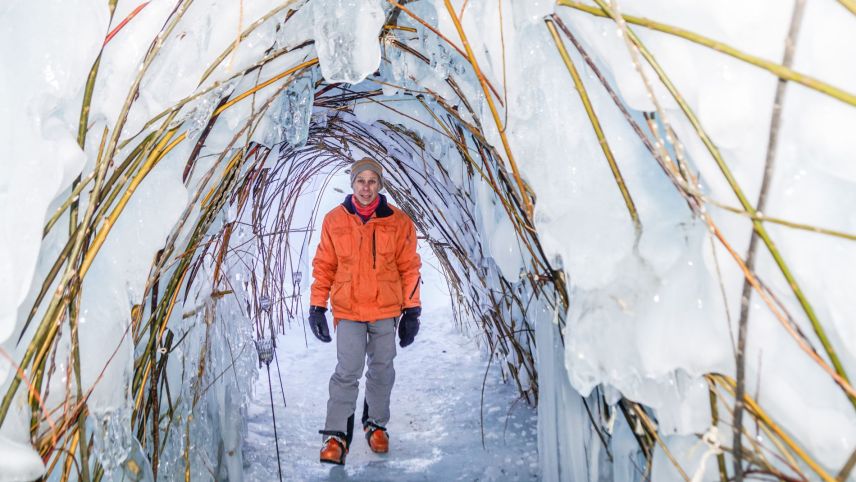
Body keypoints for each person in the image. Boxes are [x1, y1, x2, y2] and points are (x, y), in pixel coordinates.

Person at [307, 156, 422, 465]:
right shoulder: (335, 220)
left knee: (383, 369)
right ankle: (336, 436)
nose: (366, 188)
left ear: (380, 185)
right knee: (348, 370)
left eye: (372, 181)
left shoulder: (399, 222)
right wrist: (317, 306)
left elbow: (410, 268)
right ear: (352, 183)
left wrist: (412, 312)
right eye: (361, 181)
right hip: (348, 310)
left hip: (386, 309)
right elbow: (324, 266)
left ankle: (375, 424)